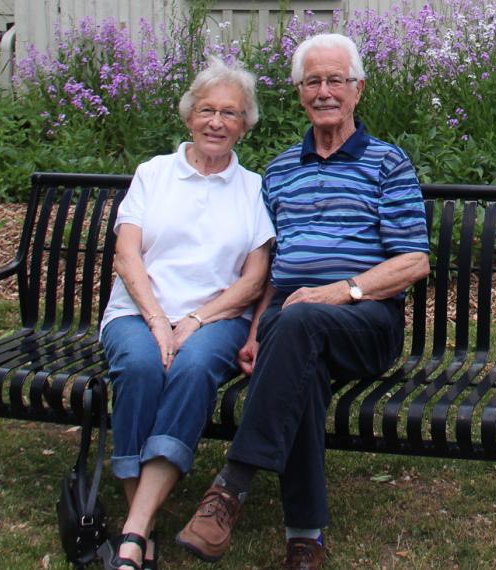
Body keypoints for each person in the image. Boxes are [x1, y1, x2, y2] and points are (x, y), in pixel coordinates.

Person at [175, 33, 430, 569]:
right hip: (290, 322)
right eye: (312, 81)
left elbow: (414, 261)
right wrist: (252, 333)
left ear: (357, 89)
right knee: (300, 363)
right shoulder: (282, 170)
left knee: (302, 323)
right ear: (299, 94)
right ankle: (304, 539)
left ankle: (230, 487)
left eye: (336, 79)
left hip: (366, 318)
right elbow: (270, 268)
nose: (324, 91)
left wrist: (341, 290)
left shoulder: (388, 164)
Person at [97, 56, 275, 570]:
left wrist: (195, 320)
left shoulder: (253, 187)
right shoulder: (154, 173)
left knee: (194, 367)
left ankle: (133, 531)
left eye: (231, 113)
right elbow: (126, 254)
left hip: (217, 319)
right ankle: (144, 521)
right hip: (137, 312)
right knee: (140, 364)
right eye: (207, 110)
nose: (217, 122)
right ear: (188, 116)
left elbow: (254, 277)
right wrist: (156, 318)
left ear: (246, 124)